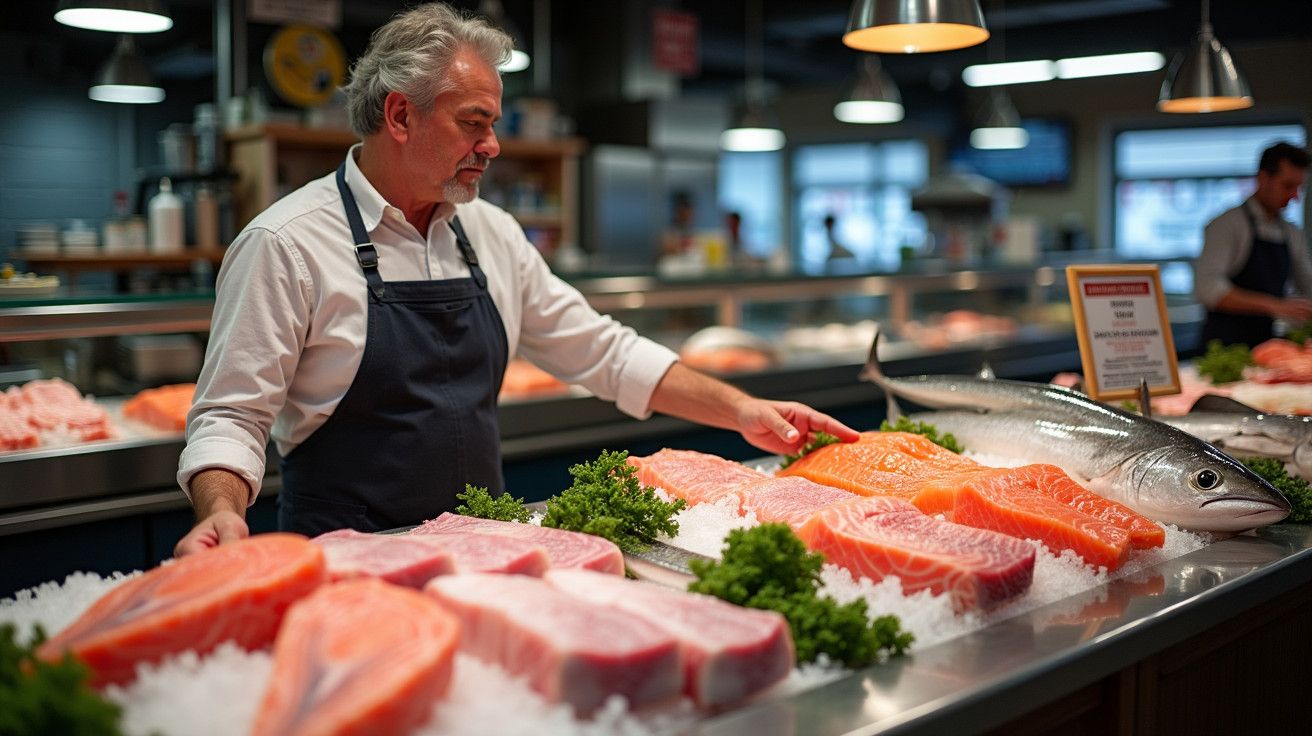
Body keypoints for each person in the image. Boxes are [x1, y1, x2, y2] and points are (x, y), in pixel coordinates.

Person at [174, 3, 857, 555]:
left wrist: (741, 411)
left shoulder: (490, 232)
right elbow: (231, 416)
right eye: (474, 123)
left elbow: (602, 350)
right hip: (346, 559)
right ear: (401, 115)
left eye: (494, 124)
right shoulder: (284, 244)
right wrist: (223, 512)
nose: (493, 146)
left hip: (488, 547)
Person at [1195, 141, 1312, 347]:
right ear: (1263, 179)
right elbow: (1208, 288)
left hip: (1269, 346)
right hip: (1226, 347)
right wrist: (1275, 305)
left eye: (1298, 188)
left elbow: (1307, 282)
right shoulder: (1227, 225)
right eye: (1287, 186)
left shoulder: (1292, 232)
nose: (1295, 196)